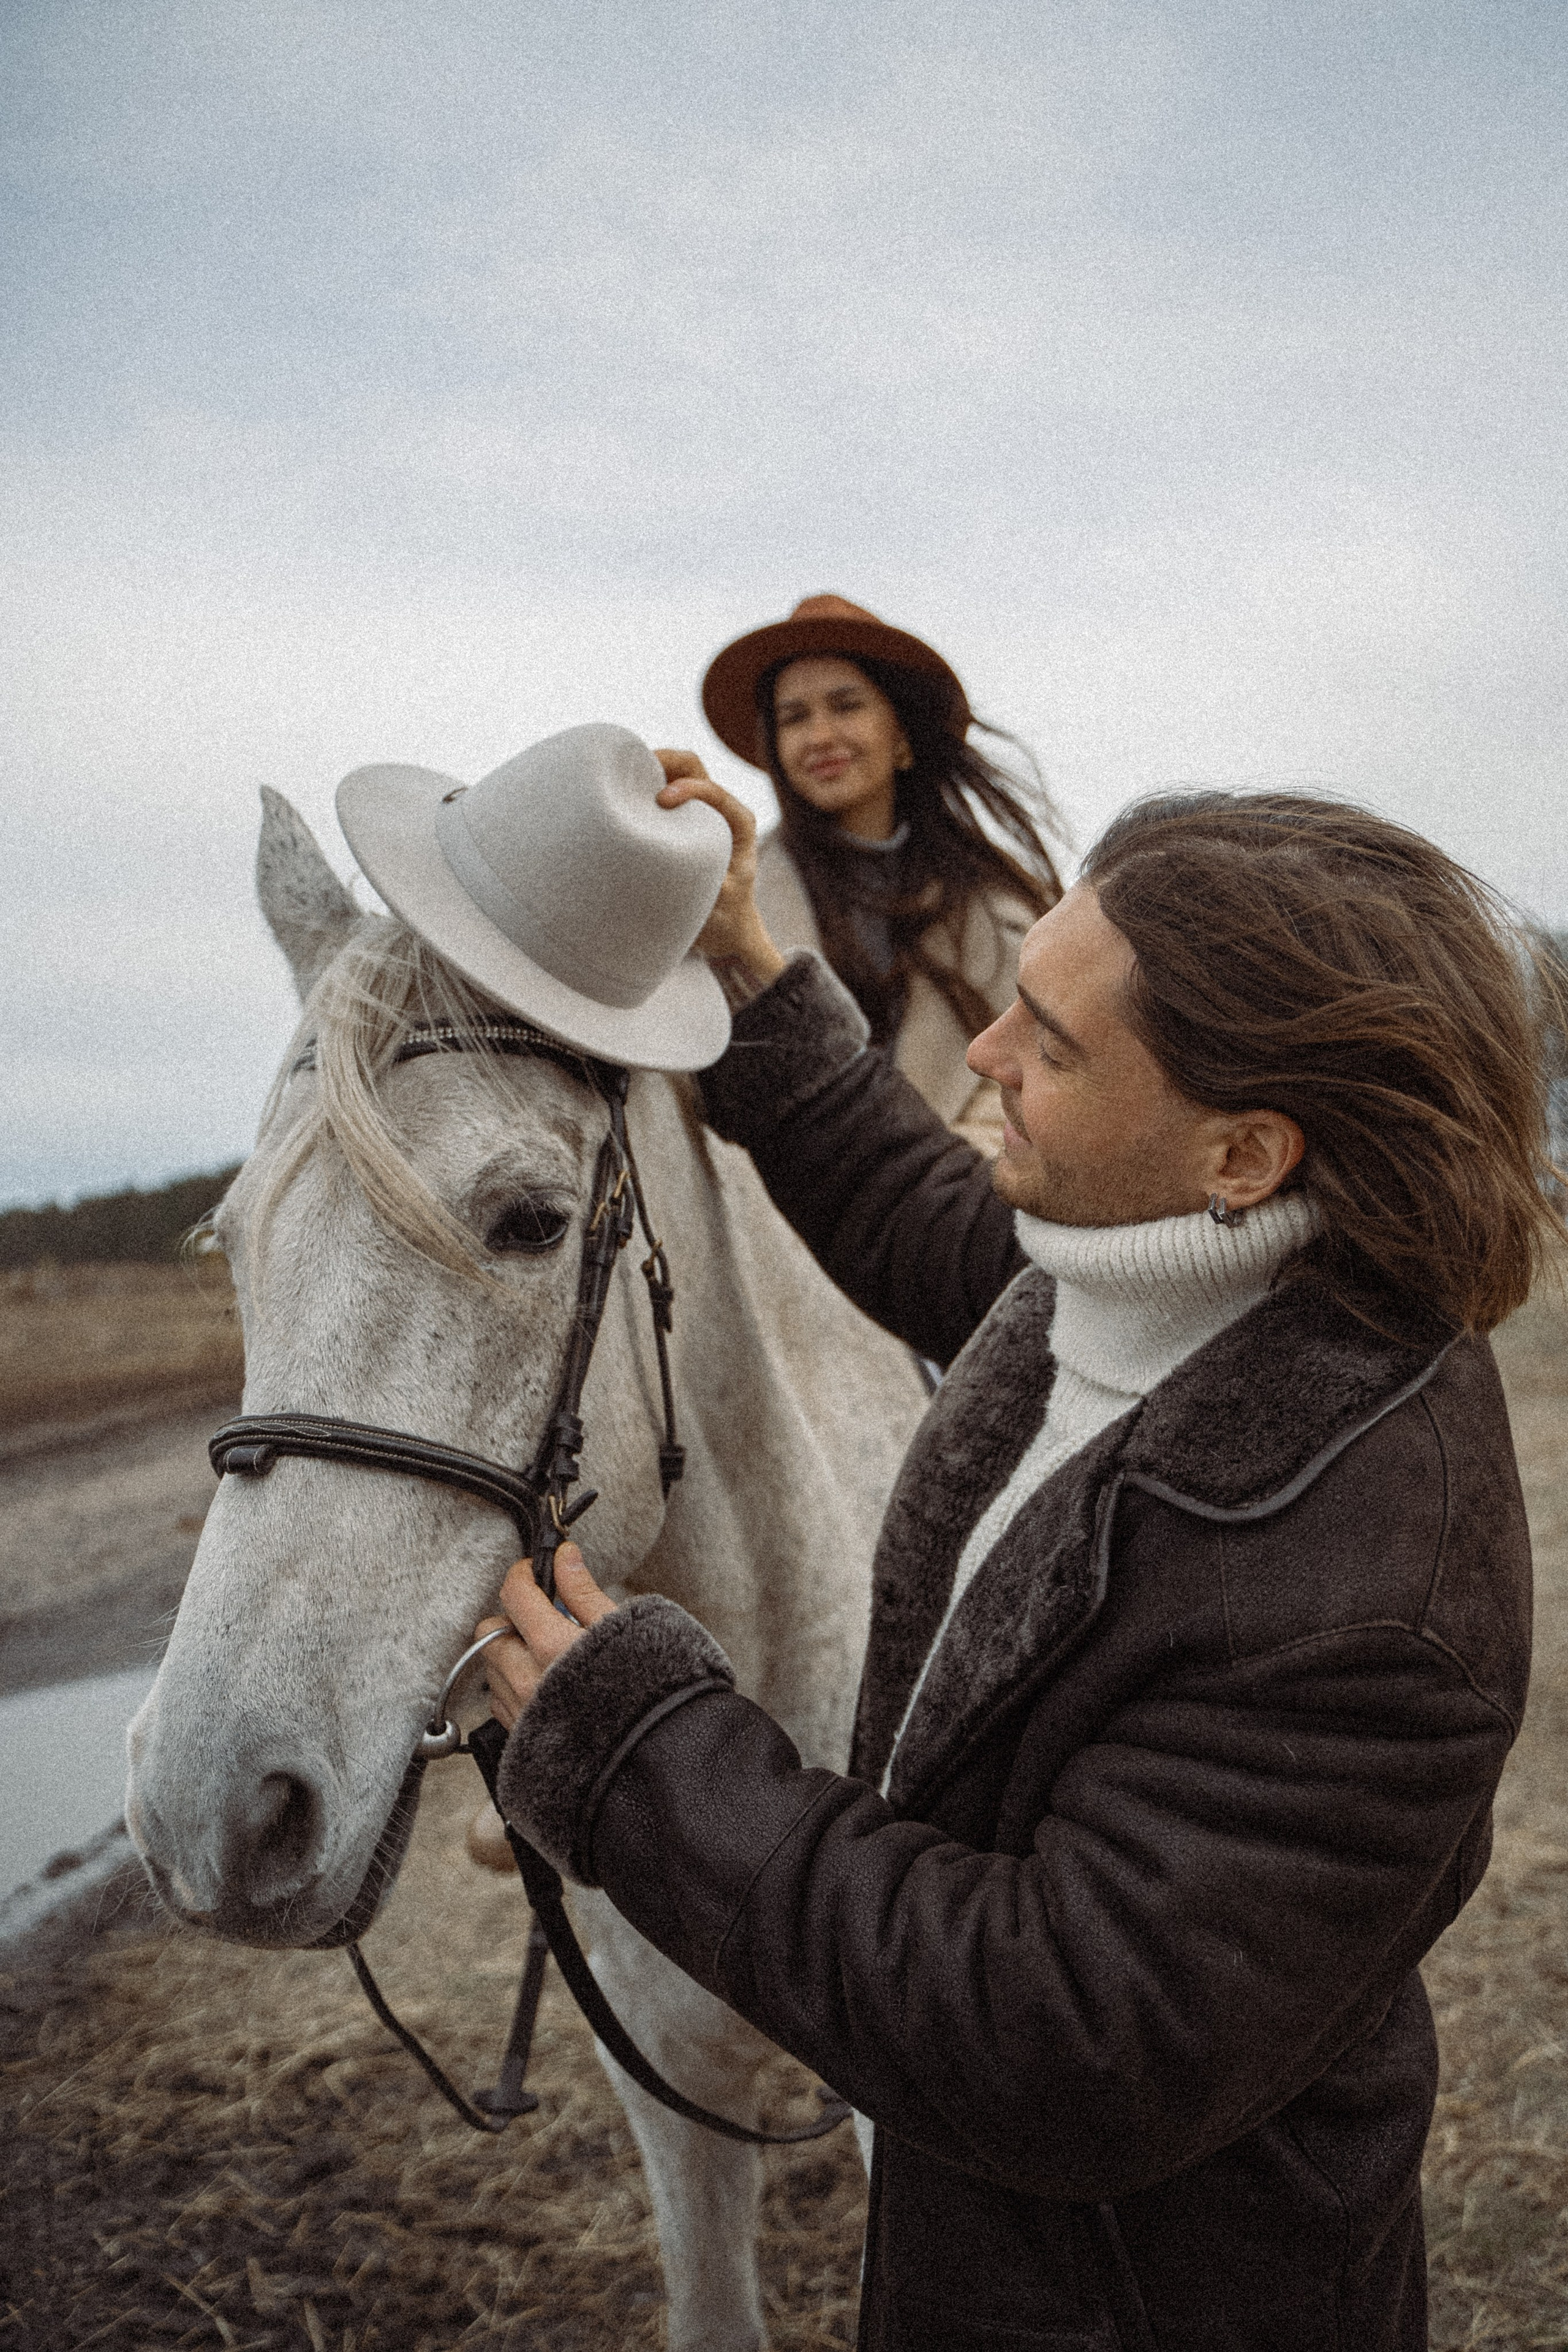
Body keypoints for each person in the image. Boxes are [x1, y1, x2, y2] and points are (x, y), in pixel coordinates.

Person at [475, 770, 1554, 2351]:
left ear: (1244, 1154)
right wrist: (756, 970)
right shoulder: (1146, 1272)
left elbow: (1051, 2031)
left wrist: (642, 1755)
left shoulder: (1380, 1586)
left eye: (1047, 1044)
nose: (983, 1055)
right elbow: (926, 1218)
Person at [701, 594, 1065, 1152]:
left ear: (900, 733)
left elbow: (1042, 1063)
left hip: (955, 1198)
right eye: (794, 717)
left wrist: (952, 1175)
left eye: (845, 706)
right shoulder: (728, 900)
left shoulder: (1000, 907)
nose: (820, 736)